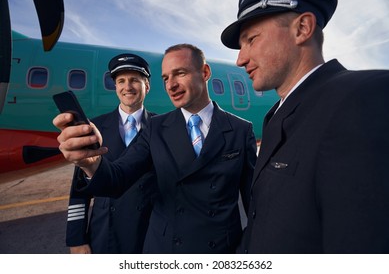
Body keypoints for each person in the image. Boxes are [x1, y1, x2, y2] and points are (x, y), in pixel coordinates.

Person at [220, 0, 389, 253]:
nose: (240, 59)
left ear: (302, 29)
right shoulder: (278, 114)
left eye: (251, 40)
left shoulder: (364, 97)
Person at [54, 44, 257, 253]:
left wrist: (248, 250)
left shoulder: (241, 130)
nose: (171, 85)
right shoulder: (155, 128)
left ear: (205, 72)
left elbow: (256, 206)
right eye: (166, 78)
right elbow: (117, 177)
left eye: (180, 73)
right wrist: (90, 163)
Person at [66, 53, 157, 254]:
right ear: (115, 87)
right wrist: (76, 239)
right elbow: (79, 190)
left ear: (147, 86)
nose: (127, 87)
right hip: (105, 232)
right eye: (121, 81)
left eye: (135, 80)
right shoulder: (95, 126)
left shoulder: (162, 127)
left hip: (150, 231)